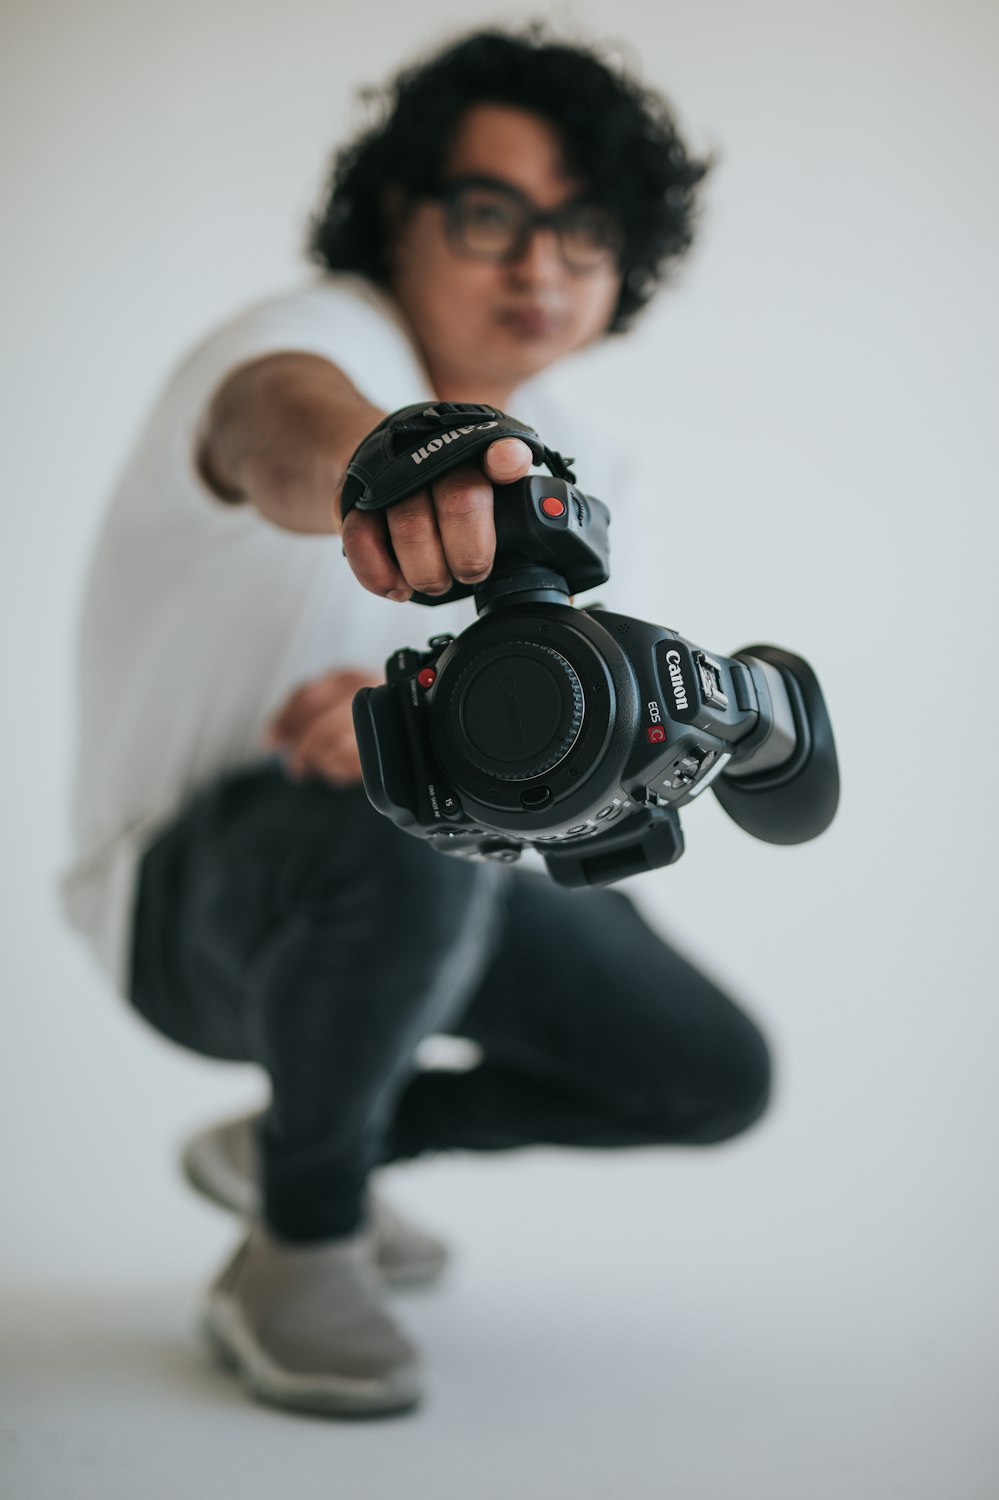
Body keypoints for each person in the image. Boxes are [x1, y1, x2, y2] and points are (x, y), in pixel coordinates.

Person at [61, 27, 771, 1418]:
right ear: (399, 212)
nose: (541, 268)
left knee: (706, 1072)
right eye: (494, 214)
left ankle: (313, 1144)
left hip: (426, 887)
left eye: (586, 232)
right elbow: (276, 427)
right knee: (389, 823)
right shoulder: (308, 338)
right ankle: (304, 1238)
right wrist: (383, 462)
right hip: (190, 904)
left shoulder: (580, 452)